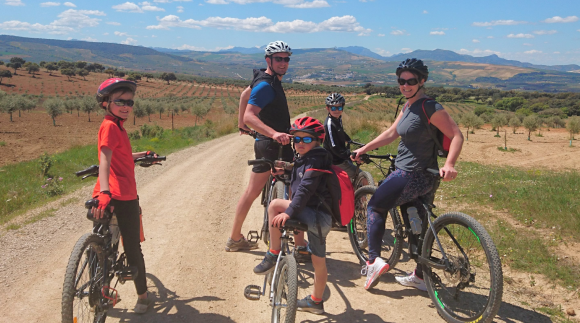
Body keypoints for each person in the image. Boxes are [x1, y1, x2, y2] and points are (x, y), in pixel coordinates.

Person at [352, 58, 464, 291]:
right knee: (417, 223)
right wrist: (364, 148)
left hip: (410, 174)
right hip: (426, 177)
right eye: (401, 81)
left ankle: (373, 261)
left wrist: (451, 163)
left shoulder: (429, 107)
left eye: (411, 81)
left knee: (375, 206)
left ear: (422, 81)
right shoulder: (407, 107)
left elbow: (456, 135)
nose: (405, 85)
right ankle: (422, 275)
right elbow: (391, 133)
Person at [253, 116, 332, 314]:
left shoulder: (314, 160)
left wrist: (289, 212)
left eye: (306, 140)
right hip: (322, 220)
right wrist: (287, 168)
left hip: (313, 214)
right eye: (296, 139)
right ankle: (316, 302)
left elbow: (305, 189)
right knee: (319, 263)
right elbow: (303, 173)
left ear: (317, 140)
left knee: (274, 205)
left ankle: (273, 252)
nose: (300, 144)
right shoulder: (315, 157)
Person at [92, 78, 156, 313]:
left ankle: (101, 296)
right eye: (120, 101)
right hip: (121, 195)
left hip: (105, 194)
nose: (126, 106)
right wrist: (107, 191)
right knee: (131, 247)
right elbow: (105, 157)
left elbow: (122, 154)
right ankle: (143, 297)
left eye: (129, 102)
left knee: (102, 246)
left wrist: (143, 155)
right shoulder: (110, 126)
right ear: (105, 103)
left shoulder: (115, 126)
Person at [226, 41, 294, 252]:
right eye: (278, 59)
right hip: (272, 144)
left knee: (252, 191)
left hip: (269, 142)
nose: (283, 63)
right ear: (268, 60)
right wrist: (273, 133)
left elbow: (244, 96)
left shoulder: (264, 79)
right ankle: (299, 244)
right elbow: (250, 115)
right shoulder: (266, 85)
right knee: (294, 188)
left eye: (286, 59)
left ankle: (235, 238)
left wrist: (239, 124)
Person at [322, 93, 359, 182]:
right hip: (336, 161)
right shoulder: (329, 124)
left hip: (340, 157)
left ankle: (355, 194)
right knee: (361, 176)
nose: (337, 110)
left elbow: (340, 131)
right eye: (333, 108)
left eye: (339, 107)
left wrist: (348, 140)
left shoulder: (337, 118)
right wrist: (348, 154)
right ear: (328, 108)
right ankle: (362, 195)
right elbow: (333, 146)